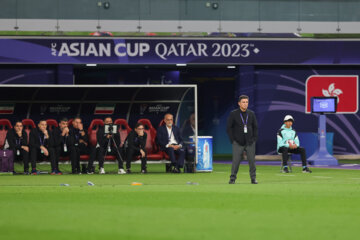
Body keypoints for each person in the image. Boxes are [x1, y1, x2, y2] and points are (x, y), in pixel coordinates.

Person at [227, 95, 258, 184]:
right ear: (239, 103)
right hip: (238, 142)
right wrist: (233, 140)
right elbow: (229, 128)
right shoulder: (233, 114)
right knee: (236, 162)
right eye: (243, 102)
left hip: (250, 142)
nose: (245, 104)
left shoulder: (251, 114)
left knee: (252, 162)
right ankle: (232, 178)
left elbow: (255, 127)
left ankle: (253, 178)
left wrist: (254, 139)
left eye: (247, 102)